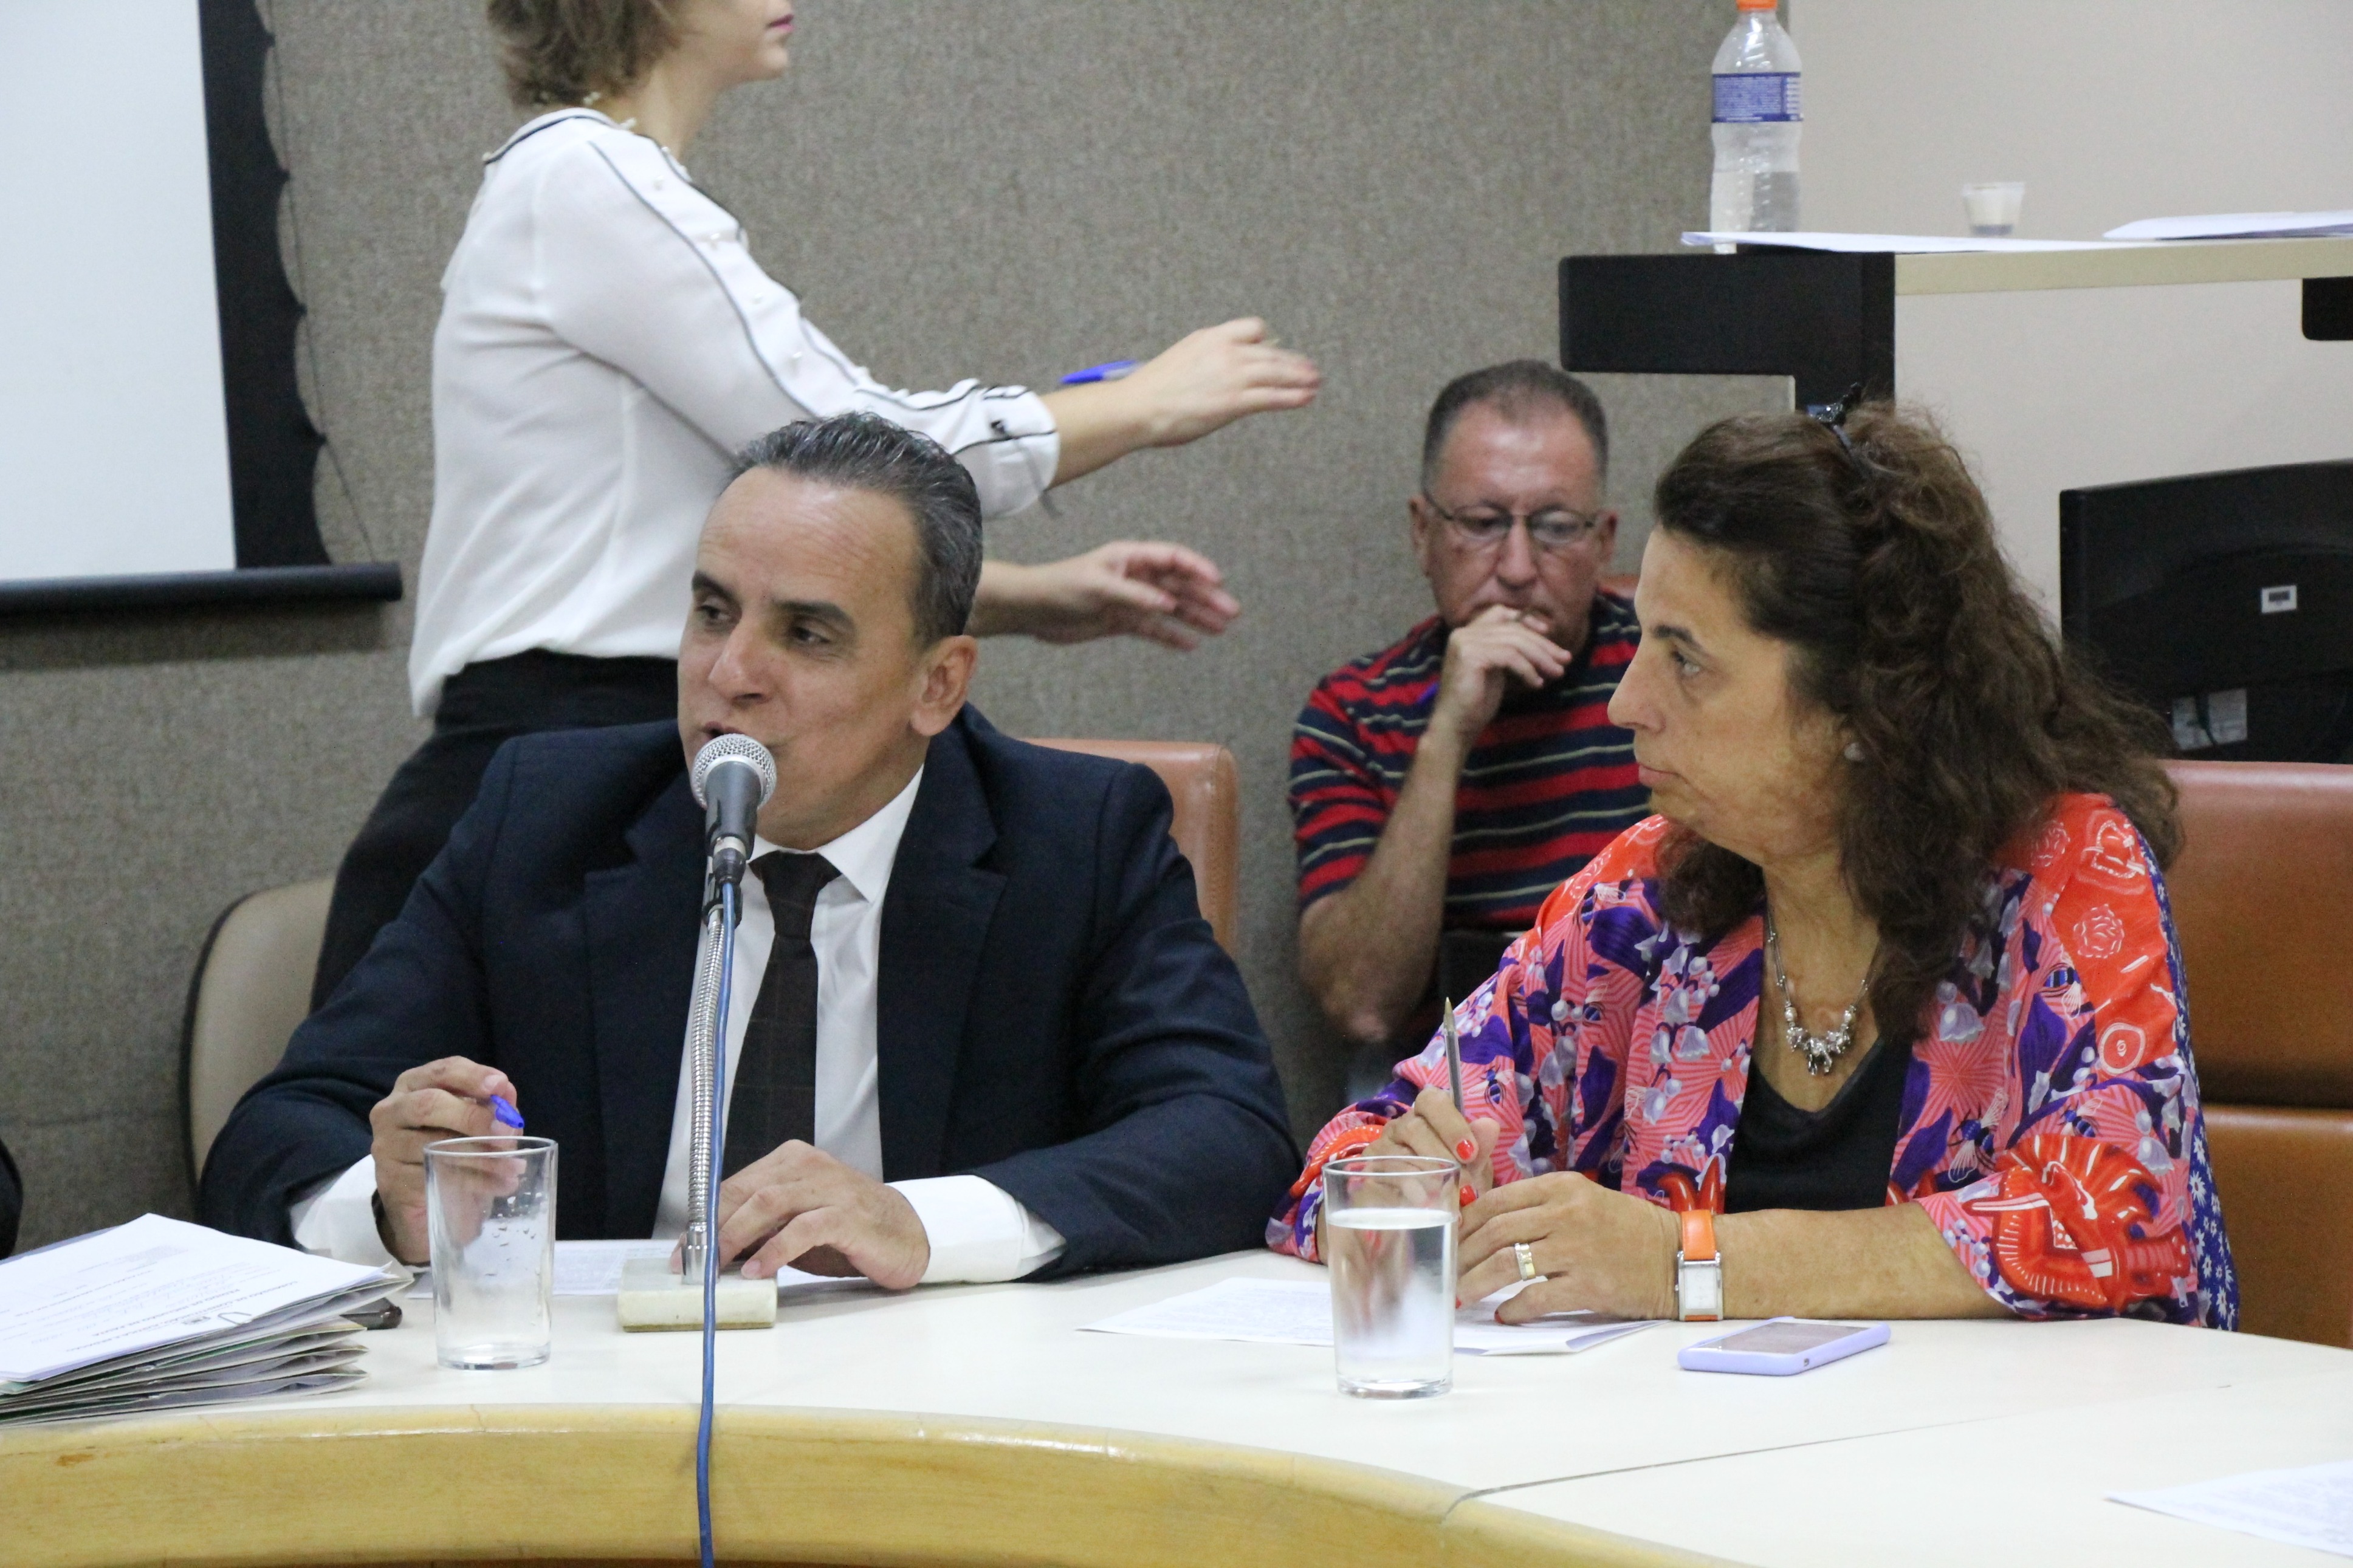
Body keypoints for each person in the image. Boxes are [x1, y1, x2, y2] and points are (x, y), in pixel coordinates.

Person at [311, 0, 1321, 1008]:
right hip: (569, 766)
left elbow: (751, 536)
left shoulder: (586, 182)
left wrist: (1021, 598)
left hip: (627, 752)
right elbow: (854, 456)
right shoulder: (585, 175)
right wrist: (1142, 405)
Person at [204, 415, 1299, 1282]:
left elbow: (1228, 1135)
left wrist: (920, 1222)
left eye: (805, 634)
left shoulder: (1075, 837)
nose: (729, 674)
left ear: (937, 684)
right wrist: (388, 1202)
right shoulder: (546, 817)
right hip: (601, 1405)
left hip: (939, 1403)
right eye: (712, 612)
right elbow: (273, 1136)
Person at [1271, 399, 2238, 1330]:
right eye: (1640, 641)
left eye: (1686, 660)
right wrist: (1401, 1184)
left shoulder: (2064, 873)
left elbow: (2121, 1222)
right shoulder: (1642, 903)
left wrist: (1681, 1262)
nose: (1626, 703)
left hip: (2017, 1438)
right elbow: (1339, 1167)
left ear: (1861, 704)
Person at [1291, 363, 1647, 1060]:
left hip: (1658, 1063)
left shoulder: (1670, 673)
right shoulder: (1355, 713)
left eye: (1554, 527)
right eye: (1482, 525)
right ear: (1422, 533)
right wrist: (1447, 737)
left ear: (1603, 541)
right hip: (1452, 1080)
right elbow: (1362, 1005)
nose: (1516, 567)